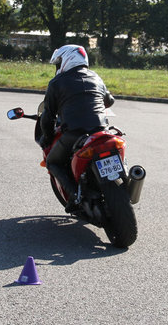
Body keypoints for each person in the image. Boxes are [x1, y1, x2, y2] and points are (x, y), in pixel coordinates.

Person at [39, 44, 115, 211]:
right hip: (101, 131)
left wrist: (47, 138)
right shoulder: (95, 77)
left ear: (68, 59)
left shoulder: (57, 83)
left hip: (75, 133)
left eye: (59, 63)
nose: (58, 67)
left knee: (52, 161)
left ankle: (75, 195)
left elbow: (47, 117)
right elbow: (110, 101)